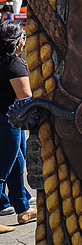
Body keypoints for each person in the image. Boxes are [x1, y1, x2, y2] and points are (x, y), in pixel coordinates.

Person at [0, 21, 37, 233]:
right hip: (8, 121)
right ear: (17, 42)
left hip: (5, 120)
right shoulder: (14, 64)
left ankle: (23, 210)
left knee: (16, 166)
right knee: (2, 169)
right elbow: (25, 97)